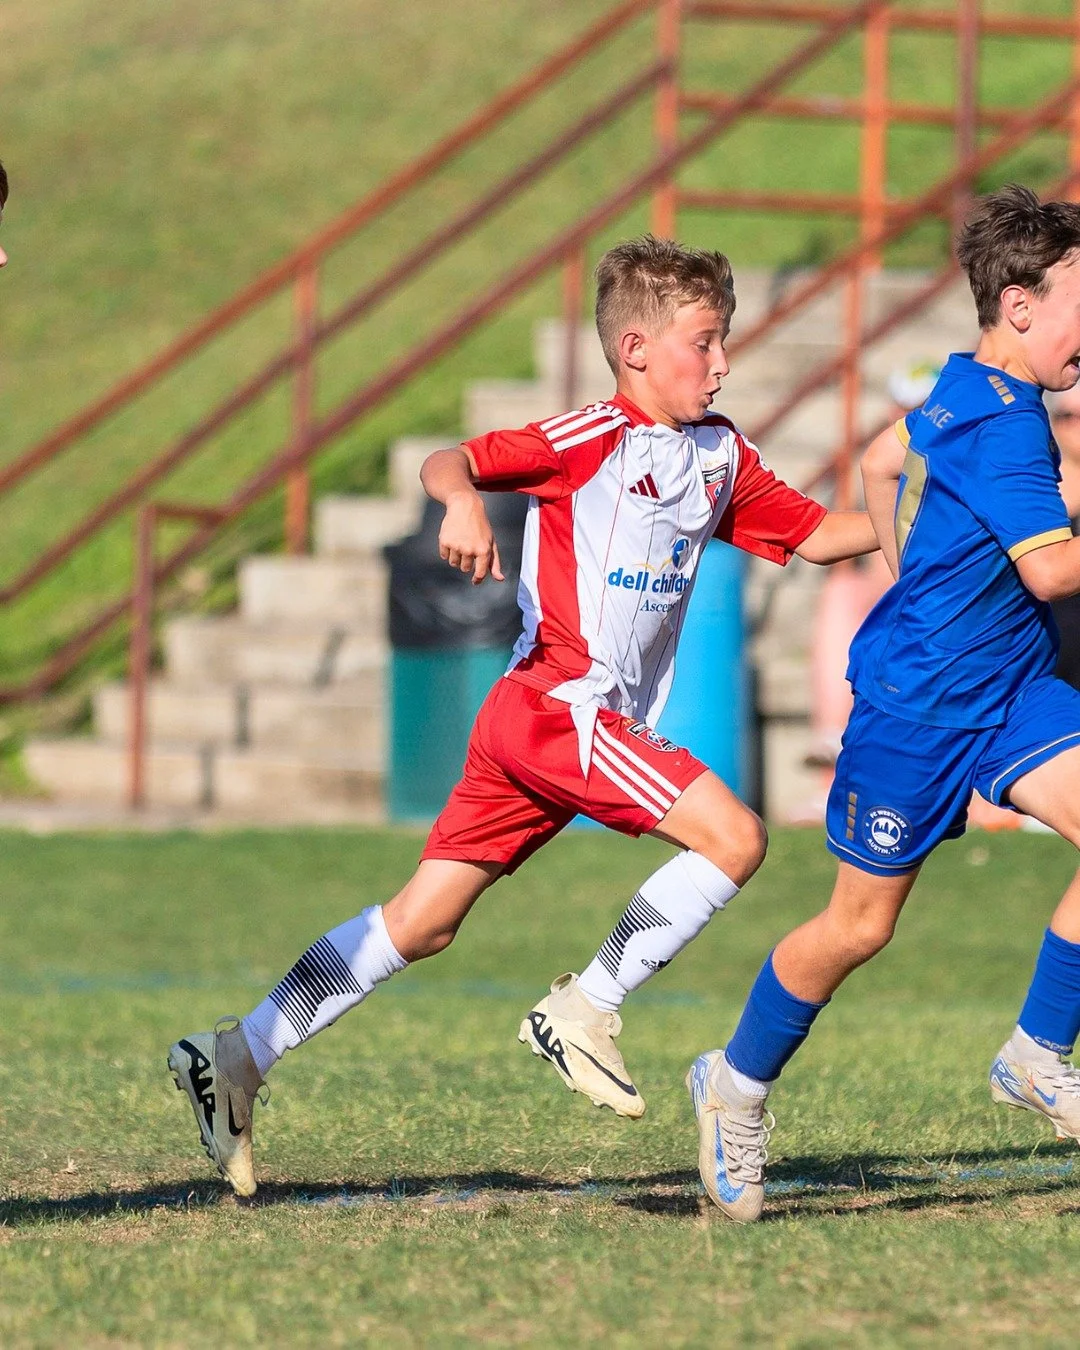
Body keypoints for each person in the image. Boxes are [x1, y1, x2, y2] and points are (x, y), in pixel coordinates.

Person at [167, 235, 878, 1197]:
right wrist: (460, 503)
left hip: (535, 725)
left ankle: (238, 1055)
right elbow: (447, 459)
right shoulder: (589, 438)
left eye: (725, 342)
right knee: (736, 838)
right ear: (634, 349)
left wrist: (924, 504)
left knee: (421, 923)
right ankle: (586, 1004)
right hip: (559, 709)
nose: (723, 363)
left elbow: (827, 536)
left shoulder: (720, 455)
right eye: (704, 343)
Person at [687, 184, 1080, 1224]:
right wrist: (921, 603)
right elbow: (1051, 574)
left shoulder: (967, 388)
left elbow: (878, 457)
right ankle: (734, 1084)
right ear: (1022, 302)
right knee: (857, 929)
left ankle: (1038, 1054)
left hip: (1008, 693)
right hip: (913, 715)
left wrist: (914, 579)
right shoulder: (1004, 428)